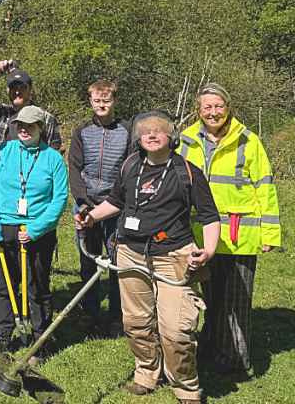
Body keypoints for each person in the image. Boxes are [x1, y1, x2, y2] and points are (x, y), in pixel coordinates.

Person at [77, 111, 220, 404]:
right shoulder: (130, 166)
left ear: (172, 137)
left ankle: (186, 388)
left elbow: (209, 217)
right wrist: (91, 216)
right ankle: (145, 375)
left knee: (177, 329)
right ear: (138, 139)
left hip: (174, 257)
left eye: (159, 130)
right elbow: (116, 202)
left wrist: (207, 251)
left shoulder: (188, 173)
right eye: (146, 131)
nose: (152, 135)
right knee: (136, 323)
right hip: (130, 253)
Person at [178, 83, 281, 375]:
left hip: (240, 236)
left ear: (228, 107)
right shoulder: (185, 141)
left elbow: (265, 188)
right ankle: (210, 348)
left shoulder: (249, 141)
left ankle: (234, 358)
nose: (213, 112)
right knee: (209, 298)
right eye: (207, 107)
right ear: (198, 111)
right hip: (200, 236)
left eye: (219, 106)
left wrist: (269, 234)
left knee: (236, 300)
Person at [0, 106, 68, 365]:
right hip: (3, 229)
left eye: (29, 126)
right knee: (3, 285)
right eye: (20, 125)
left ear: (41, 128)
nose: (23, 130)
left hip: (36, 232)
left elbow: (59, 199)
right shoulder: (4, 152)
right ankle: (2, 334)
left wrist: (35, 230)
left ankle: (41, 339)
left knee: (36, 287)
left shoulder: (53, 159)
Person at [0, 60, 62, 313]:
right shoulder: (0, 113)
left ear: (30, 90)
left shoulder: (46, 119)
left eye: (22, 87)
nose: (17, 92)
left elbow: (54, 156)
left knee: (33, 245)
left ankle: (31, 297)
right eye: (13, 87)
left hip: (32, 198)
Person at [66, 78, 132, 337]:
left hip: (116, 208)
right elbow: (74, 168)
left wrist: (117, 202)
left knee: (117, 262)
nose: (101, 105)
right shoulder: (82, 131)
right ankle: (89, 311)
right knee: (88, 260)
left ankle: (118, 316)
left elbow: (130, 170)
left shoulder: (128, 131)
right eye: (97, 100)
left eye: (106, 100)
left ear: (114, 101)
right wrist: (82, 203)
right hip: (86, 205)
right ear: (90, 101)